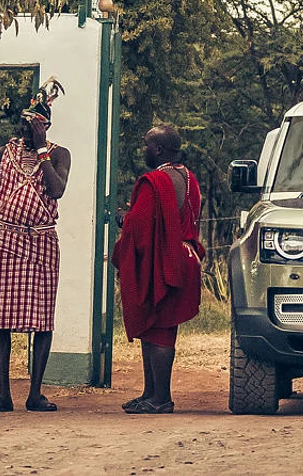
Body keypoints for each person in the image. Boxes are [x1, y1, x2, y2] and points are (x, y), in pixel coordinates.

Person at [0, 79, 72, 413]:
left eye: (34, 126)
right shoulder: (3, 155)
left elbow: (56, 190)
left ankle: (35, 393)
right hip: (6, 239)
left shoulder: (59, 154)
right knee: (1, 319)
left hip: (42, 241)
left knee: (42, 319)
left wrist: (42, 149)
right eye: (24, 124)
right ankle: (3, 393)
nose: (26, 131)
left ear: (46, 126)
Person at [113, 125, 204, 414]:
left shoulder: (155, 181)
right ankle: (150, 393)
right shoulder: (189, 178)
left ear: (159, 150)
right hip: (184, 255)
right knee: (153, 326)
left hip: (165, 259)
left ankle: (161, 397)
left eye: (147, 145)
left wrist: (123, 220)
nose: (144, 150)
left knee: (161, 327)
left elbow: (139, 225)